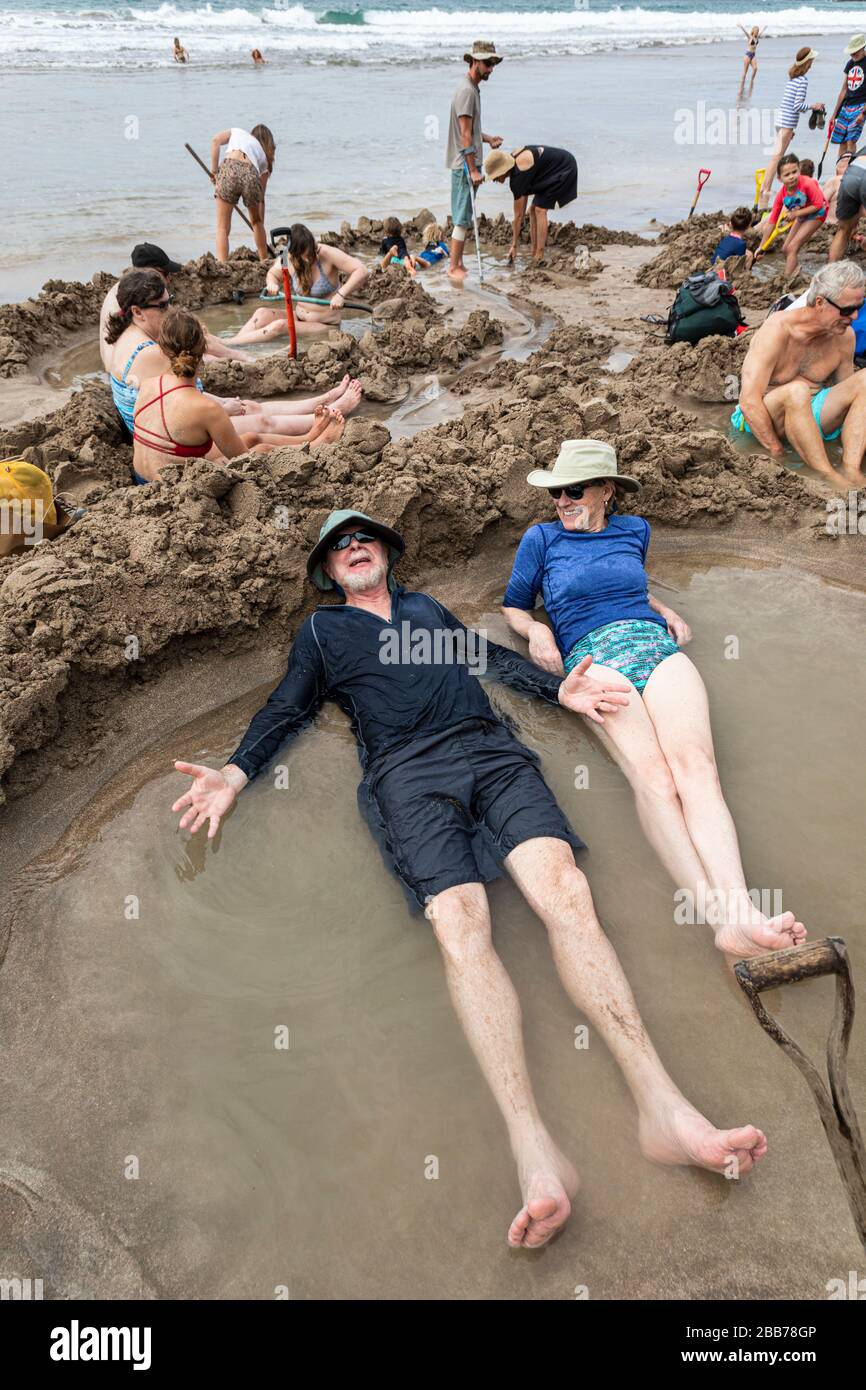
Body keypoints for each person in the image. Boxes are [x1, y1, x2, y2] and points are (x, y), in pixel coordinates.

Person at [171, 508, 770, 1248]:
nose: (354, 547)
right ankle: (534, 1147)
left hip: (493, 755)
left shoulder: (424, 610)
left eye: (364, 538)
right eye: (338, 546)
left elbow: (489, 662)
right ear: (328, 572)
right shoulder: (324, 633)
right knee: (461, 925)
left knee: (567, 895)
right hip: (406, 778)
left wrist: (562, 693)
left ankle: (665, 1109)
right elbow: (287, 705)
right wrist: (233, 776)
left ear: (387, 553)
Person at [501, 439, 808, 961]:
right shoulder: (541, 538)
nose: (561, 500)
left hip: (655, 648)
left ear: (606, 491)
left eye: (573, 490)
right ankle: (718, 922)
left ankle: (743, 909)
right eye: (556, 492)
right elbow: (513, 606)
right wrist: (536, 634)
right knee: (655, 780)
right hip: (595, 659)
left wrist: (663, 607)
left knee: (697, 769)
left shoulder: (635, 529)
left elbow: (631, 586)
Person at [104, 271, 360, 441]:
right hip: (168, 434)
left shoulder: (130, 334)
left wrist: (223, 403)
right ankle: (330, 412)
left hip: (169, 420)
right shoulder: (149, 353)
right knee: (260, 421)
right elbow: (185, 399)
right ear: (137, 311)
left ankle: (326, 398)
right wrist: (221, 406)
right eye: (162, 306)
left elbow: (179, 396)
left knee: (251, 406)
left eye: (169, 301)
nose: (170, 310)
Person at [130, 309, 344, 485]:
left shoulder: (148, 384)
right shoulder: (207, 408)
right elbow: (245, 461)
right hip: (172, 487)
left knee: (252, 436)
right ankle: (319, 443)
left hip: (142, 477)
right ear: (205, 349)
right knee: (259, 449)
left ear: (161, 349)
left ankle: (307, 438)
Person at [731, 260, 866, 489]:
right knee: (796, 390)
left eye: (858, 308)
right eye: (846, 310)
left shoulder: (845, 337)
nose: (854, 317)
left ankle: (851, 470)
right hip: (766, 416)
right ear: (820, 302)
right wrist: (777, 453)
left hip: (811, 415)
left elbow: (851, 402)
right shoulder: (778, 330)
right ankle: (829, 475)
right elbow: (749, 401)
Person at [98, 242, 253, 371]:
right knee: (204, 353)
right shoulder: (143, 297)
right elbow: (187, 335)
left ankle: (233, 345)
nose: (169, 279)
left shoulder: (123, 290)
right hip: (133, 367)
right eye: (165, 273)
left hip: (118, 367)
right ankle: (242, 353)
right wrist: (240, 356)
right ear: (148, 271)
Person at [225, 224, 368, 344]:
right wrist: (272, 284)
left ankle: (229, 345)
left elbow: (361, 270)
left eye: (311, 254)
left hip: (325, 325)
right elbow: (272, 274)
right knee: (261, 313)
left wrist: (341, 294)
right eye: (304, 256)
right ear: (294, 253)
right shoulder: (287, 257)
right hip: (298, 317)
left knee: (280, 326)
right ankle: (233, 343)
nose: (308, 260)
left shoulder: (326, 253)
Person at [446, 40, 503, 279]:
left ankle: (457, 263)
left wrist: (488, 139)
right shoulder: (467, 91)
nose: (491, 68)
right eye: (488, 63)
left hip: (469, 161)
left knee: (465, 215)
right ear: (474, 61)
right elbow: (465, 134)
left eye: (493, 64)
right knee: (461, 217)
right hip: (464, 164)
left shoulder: (472, 88)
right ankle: (453, 267)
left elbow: (470, 129)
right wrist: (473, 170)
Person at [485, 145, 578, 264]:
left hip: (564, 168)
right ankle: (535, 251)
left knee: (540, 209)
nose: (493, 179)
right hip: (550, 171)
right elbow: (522, 212)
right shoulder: (514, 160)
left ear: (502, 169)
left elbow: (518, 217)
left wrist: (514, 245)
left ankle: (539, 253)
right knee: (533, 209)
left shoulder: (518, 176)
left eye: (495, 175)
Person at [756, 49, 823, 213]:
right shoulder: (802, 80)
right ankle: (765, 190)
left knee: (776, 156)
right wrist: (813, 106)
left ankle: (765, 188)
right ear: (808, 62)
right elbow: (797, 106)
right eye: (811, 61)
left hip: (781, 121)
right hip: (787, 123)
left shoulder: (792, 79)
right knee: (777, 157)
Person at [753, 153, 828, 277]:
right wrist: (761, 247)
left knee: (792, 247)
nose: (792, 177)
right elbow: (772, 222)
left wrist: (796, 213)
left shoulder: (807, 183)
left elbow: (818, 204)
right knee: (785, 249)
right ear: (779, 178)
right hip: (802, 215)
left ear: (799, 169)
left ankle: (787, 280)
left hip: (818, 214)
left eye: (794, 172)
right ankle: (797, 272)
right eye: (787, 175)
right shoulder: (781, 195)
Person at [210, 125, 276, 263]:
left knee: (222, 227)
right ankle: (264, 260)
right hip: (251, 172)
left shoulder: (237, 132)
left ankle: (222, 264)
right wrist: (259, 224)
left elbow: (215, 141)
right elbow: (261, 199)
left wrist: (214, 171)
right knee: (256, 223)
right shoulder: (263, 158)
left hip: (229, 167)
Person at [829, 35, 866, 159]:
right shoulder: (850, 64)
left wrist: (863, 113)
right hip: (846, 106)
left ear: (863, 48)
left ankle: (849, 170)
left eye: (855, 51)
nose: (853, 55)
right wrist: (834, 115)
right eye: (851, 53)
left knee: (851, 140)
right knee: (842, 141)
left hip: (861, 106)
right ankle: (840, 171)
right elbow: (844, 89)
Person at [823, 152, 852, 225]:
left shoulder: (834, 181)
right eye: (844, 159)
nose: (848, 158)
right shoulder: (834, 181)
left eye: (850, 159)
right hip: (832, 225)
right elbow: (820, 204)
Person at [737, 24, 765, 96]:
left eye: (758, 31)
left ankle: (752, 81)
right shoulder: (750, 37)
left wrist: (764, 28)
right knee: (745, 72)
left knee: (755, 68)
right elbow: (745, 32)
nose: (757, 32)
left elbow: (761, 34)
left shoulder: (757, 37)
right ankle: (742, 84)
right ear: (753, 31)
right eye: (756, 31)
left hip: (753, 55)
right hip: (748, 55)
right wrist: (741, 27)